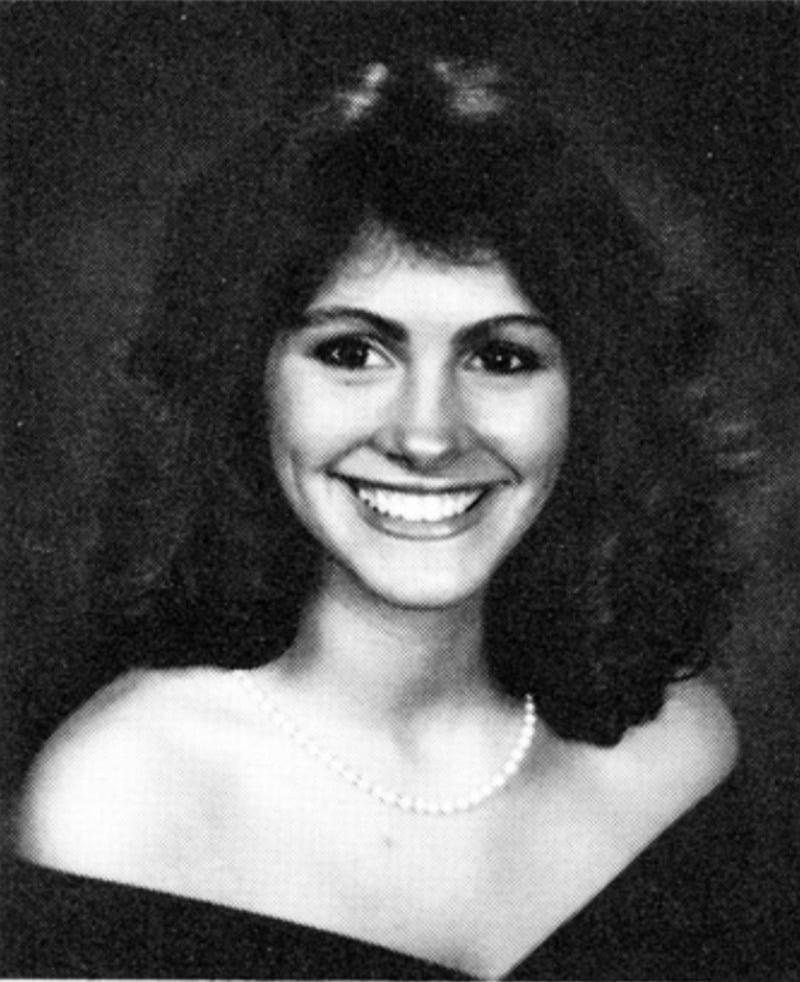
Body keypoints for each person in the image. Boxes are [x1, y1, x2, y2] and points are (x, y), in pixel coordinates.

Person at [7, 57, 748, 979]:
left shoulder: (682, 757)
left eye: (504, 358)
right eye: (352, 351)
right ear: (249, 382)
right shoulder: (119, 805)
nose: (427, 435)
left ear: (592, 398)